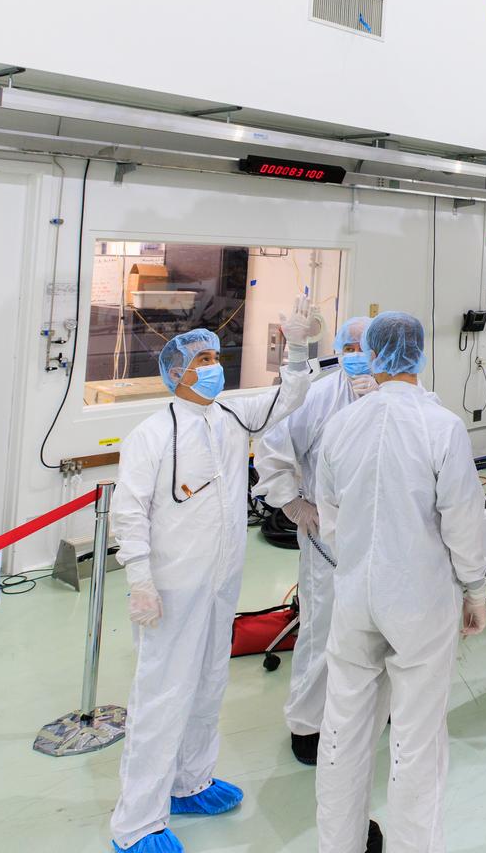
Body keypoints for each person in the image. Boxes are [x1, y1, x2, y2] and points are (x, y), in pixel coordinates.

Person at [108, 300, 323, 853]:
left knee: (208, 685)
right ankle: (137, 823)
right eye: (201, 360)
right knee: (162, 697)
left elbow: (289, 397)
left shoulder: (230, 414)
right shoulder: (152, 434)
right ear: (176, 373)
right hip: (171, 589)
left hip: (220, 584)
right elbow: (129, 514)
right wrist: (140, 581)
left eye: (214, 357)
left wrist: (297, 346)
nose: (213, 366)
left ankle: (190, 782)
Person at [312, 311, 486, 853]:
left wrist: (359, 562)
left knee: (342, 732)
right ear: (419, 353)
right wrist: (474, 589)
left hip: (353, 597)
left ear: (374, 355)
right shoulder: (442, 427)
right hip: (419, 603)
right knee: (416, 739)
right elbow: (462, 521)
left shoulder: (342, 425)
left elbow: (330, 516)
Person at [251, 315, 378, 764]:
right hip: (327, 534)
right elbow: (272, 448)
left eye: (367, 347)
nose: (358, 356)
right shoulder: (319, 396)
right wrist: (292, 505)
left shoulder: (400, 396)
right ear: (339, 349)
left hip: (383, 534)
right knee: (323, 627)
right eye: (350, 347)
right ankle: (308, 725)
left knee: (376, 627)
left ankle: (371, 709)